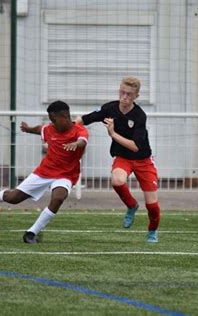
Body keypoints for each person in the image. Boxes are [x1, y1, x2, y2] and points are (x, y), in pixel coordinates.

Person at [0, 100, 88, 244]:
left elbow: (83, 141)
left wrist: (76, 144)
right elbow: (40, 129)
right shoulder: (50, 129)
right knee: (14, 198)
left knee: (58, 197)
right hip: (44, 172)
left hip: (66, 175)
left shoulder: (79, 131)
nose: (51, 123)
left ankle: (31, 233)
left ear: (65, 116)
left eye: (53, 119)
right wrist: (28, 129)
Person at [76, 76, 160, 243]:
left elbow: (135, 146)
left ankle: (152, 232)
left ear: (136, 96)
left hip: (143, 160)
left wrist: (113, 134)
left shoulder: (139, 116)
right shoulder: (110, 108)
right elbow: (86, 119)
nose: (124, 97)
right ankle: (131, 206)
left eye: (129, 94)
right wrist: (71, 126)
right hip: (123, 158)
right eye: (122, 92)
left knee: (152, 205)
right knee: (117, 180)